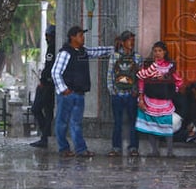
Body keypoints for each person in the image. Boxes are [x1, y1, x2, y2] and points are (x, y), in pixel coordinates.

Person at [51, 26, 113, 157]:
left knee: (76, 123)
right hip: (67, 95)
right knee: (62, 122)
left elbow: (96, 51)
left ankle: (81, 149)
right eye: (80, 35)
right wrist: (64, 89)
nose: (83, 38)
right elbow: (55, 72)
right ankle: (64, 149)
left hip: (79, 94)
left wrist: (114, 49)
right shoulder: (65, 53)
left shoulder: (83, 51)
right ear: (72, 37)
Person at [135, 41, 183, 157]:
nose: (157, 53)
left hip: (164, 102)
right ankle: (154, 151)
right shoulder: (148, 65)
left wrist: (168, 81)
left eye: (160, 51)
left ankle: (170, 152)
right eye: (155, 51)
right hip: (150, 100)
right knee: (151, 125)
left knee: (167, 126)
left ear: (164, 52)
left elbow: (178, 80)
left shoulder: (170, 66)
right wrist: (141, 97)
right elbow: (141, 81)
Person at [106, 30, 143, 156]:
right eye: (129, 40)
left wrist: (137, 91)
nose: (131, 43)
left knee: (133, 122)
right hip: (118, 94)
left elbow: (140, 77)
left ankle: (133, 147)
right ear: (122, 42)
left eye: (133, 40)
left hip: (131, 94)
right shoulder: (115, 56)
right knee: (117, 122)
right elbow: (110, 74)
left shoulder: (137, 57)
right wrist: (112, 91)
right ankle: (116, 147)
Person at [29, 24, 56, 148]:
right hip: (51, 84)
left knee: (36, 108)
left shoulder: (52, 48)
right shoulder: (54, 47)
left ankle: (45, 136)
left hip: (47, 85)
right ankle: (46, 135)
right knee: (48, 112)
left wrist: (43, 80)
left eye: (48, 35)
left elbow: (49, 66)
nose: (46, 38)